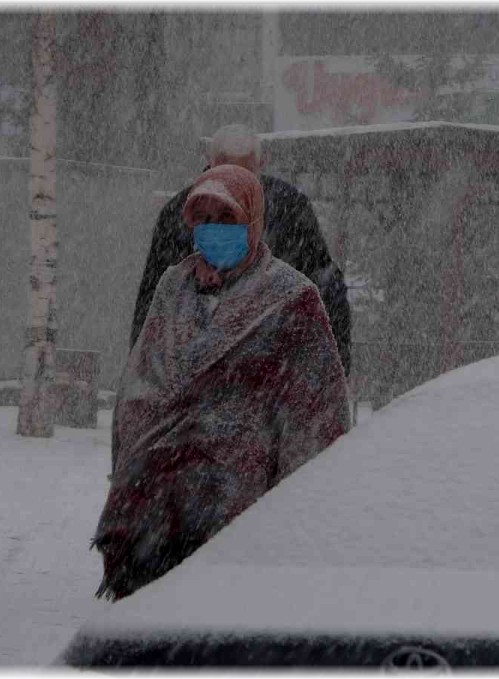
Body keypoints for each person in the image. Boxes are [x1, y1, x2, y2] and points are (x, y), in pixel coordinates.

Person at [94, 165, 351, 601]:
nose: (213, 230)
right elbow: (140, 381)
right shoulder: (173, 287)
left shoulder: (291, 300)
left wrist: (294, 516)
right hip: (152, 510)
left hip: (239, 516)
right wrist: (134, 463)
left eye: (227, 219)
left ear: (253, 223)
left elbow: (316, 419)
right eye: (204, 219)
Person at [131, 124, 353, 374]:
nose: (235, 185)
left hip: (273, 375)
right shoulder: (179, 215)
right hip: (195, 378)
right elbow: (152, 304)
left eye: (245, 174)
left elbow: (324, 285)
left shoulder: (289, 209)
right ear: (210, 163)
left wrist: (333, 368)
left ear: (261, 165)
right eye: (227, 171)